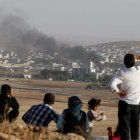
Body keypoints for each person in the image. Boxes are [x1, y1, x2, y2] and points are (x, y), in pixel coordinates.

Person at [109, 53, 140, 140]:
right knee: (135, 128)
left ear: (124, 62)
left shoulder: (122, 73)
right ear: (134, 61)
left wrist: (119, 92)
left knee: (124, 128)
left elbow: (111, 84)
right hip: (136, 104)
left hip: (125, 103)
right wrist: (137, 57)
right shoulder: (139, 70)